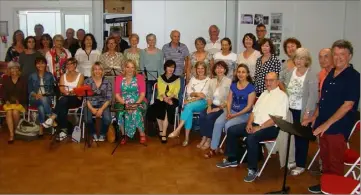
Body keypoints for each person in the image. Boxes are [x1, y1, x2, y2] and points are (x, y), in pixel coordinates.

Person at [306, 40, 360, 194]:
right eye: (335, 54)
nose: (338, 58)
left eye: (342, 54)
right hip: (323, 124)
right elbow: (323, 99)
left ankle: (335, 189)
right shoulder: (331, 73)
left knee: (335, 163)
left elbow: (348, 105)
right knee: (325, 159)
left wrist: (326, 124)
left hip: (337, 127)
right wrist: (314, 117)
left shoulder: (354, 77)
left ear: (349, 56)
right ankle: (326, 185)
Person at [216, 72, 289, 183]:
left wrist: (260, 127)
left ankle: (253, 169)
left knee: (252, 138)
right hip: (255, 124)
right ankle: (232, 159)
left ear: (277, 82)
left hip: (271, 128)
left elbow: (277, 118)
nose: (268, 83)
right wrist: (249, 123)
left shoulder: (282, 96)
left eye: (271, 80)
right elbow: (253, 113)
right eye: (266, 80)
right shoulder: (264, 94)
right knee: (231, 130)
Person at [204, 64, 256, 158]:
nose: (240, 74)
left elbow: (249, 107)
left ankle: (230, 150)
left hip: (244, 114)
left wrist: (234, 115)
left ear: (247, 74)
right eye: (239, 72)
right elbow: (229, 101)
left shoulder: (251, 88)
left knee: (228, 125)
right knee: (218, 122)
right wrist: (228, 112)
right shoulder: (234, 85)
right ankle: (214, 148)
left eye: (243, 72)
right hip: (231, 111)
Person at [283, 48, 318, 175]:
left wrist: (307, 115)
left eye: (302, 58)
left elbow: (313, 96)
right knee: (290, 136)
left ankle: (301, 164)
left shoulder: (311, 74)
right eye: (297, 58)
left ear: (307, 60)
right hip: (290, 110)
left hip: (302, 111)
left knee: (301, 138)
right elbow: (285, 87)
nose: (299, 61)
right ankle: (292, 159)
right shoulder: (290, 72)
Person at [168, 61, 210, 146]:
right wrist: (197, 94)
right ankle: (186, 138)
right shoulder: (193, 79)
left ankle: (178, 130)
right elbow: (189, 92)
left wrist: (192, 99)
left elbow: (204, 96)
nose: (200, 70)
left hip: (203, 103)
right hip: (191, 103)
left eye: (202, 68)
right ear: (195, 69)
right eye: (198, 68)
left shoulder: (209, 80)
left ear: (205, 69)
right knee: (188, 110)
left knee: (188, 106)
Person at [43, 58, 84, 139]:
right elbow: (61, 89)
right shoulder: (63, 76)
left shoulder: (80, 75)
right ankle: (64, 131)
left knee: (62, 100)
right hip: (65, 99)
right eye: (67, 64)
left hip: (76, 99)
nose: (69, 65)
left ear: (75, 65)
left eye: (71, 63)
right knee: (63, 103)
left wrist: (68, 92)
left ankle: (52, 117)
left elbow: (78, 89)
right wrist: (68, 92)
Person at [198, 61, 231, 150]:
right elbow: (209, 96)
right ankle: (204, 137)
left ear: (225, 70)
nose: (219, 70)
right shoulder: (212, 81)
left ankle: (209, 139)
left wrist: (218, 108)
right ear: (214, 70)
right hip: (212, 104)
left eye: (221, 68)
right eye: (217, 68)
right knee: (202, 115)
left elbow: (229, 99)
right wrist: (209, 106)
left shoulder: (229, 82)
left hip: (222, 107)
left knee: (209, 117)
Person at [114, 59, 147, 144]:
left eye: (132, 67)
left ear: (135, 68)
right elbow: (117, 95)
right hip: (123, 101)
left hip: (138, 100)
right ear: (124, 68)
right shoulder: (118, 78)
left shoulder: (140, 78)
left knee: (136, 111)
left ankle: (142, 134)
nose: (130, 69)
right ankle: (124, 134)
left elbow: (142, 94)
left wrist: (134, 105)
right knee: (122, 112)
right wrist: (126, 105)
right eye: (128, 67)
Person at [147, 60, 180, 143]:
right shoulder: (160, 78)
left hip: (173, 99)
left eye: (173, 67)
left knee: (166, 110)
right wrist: (165, 98)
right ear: (165, 67)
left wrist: (169, 98)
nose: (171, 69)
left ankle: (164, 133)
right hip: (161, 98)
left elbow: (176, 91)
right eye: (169, 67)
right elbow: (160, 91)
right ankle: (161, 130)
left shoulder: (177, 79)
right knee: (156, 107)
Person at [84, 62, 112, 142]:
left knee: (107, 119)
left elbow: (109, 98)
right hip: (90, 104)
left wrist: (101, 109)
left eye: (99, 69)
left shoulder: (107, 82)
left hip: (103, 104)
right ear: (92, 71)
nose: (97, 71)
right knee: (87, 119)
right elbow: (86, 98)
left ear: (102, 71)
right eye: (95, 69)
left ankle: (103, 134)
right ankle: (93, 134)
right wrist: (92, 109)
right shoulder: (87, 81)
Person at [28, 56, 55, 136]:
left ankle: (41, 127)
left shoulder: (50, 76)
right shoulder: (32, 76)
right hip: (34, 98)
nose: (40, 65)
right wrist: (36, 95)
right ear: (35, 65)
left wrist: (42, 95)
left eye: (42, 63)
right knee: (42, 101)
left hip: (47, 98)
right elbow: (30, 90)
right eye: (38, 63)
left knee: (41, 106)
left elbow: (51, 90)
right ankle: (51, 118)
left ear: (46, 64)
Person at [162, 30, 189, 107]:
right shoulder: (165, 47)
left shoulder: (183, 47)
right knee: (169, 94)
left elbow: (187, 60)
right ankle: (170, 111)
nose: (177, 38)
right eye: (175, 36)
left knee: (180, 94)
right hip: (168, 76)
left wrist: (185, 71)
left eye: (178, 36)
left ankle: (179, 112)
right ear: (171, 37)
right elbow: (161, 60)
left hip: (179, 75)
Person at [3, 61, 27, 143]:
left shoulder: (23, 79)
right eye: (12, 68)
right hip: (8, 102)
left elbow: (25, 93)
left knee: (15, 112)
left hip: (21, 102)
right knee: (9, 112)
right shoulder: (5, 79)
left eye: (15, 68)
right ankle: (11, 134)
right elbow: (3, 93)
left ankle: (16, 128)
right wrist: (6, 100)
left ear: (18, 69)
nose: (14, 70)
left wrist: (19, 100)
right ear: (9, 70)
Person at [139, 33, 164, 102]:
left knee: (157, 96)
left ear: (155, 40)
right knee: (148, 95)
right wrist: (143, 75)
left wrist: (161, 77)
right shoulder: (143, 52)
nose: (152, 42)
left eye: (153, 40)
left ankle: (155, 111)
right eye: (149, 40)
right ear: (147, 41)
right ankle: (147, 111)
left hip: (158, 78)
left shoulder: (160, 52)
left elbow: (162, 66)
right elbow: (141, 65)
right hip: (147, 78)